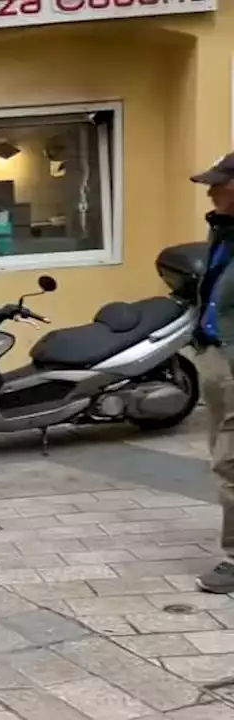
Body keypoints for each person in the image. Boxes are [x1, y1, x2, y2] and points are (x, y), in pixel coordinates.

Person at [191, 152, 234, 594]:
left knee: (231, 461)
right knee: (223, 458)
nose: (210, 190)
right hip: (215, 354)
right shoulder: (222, 232)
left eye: (220, 183)